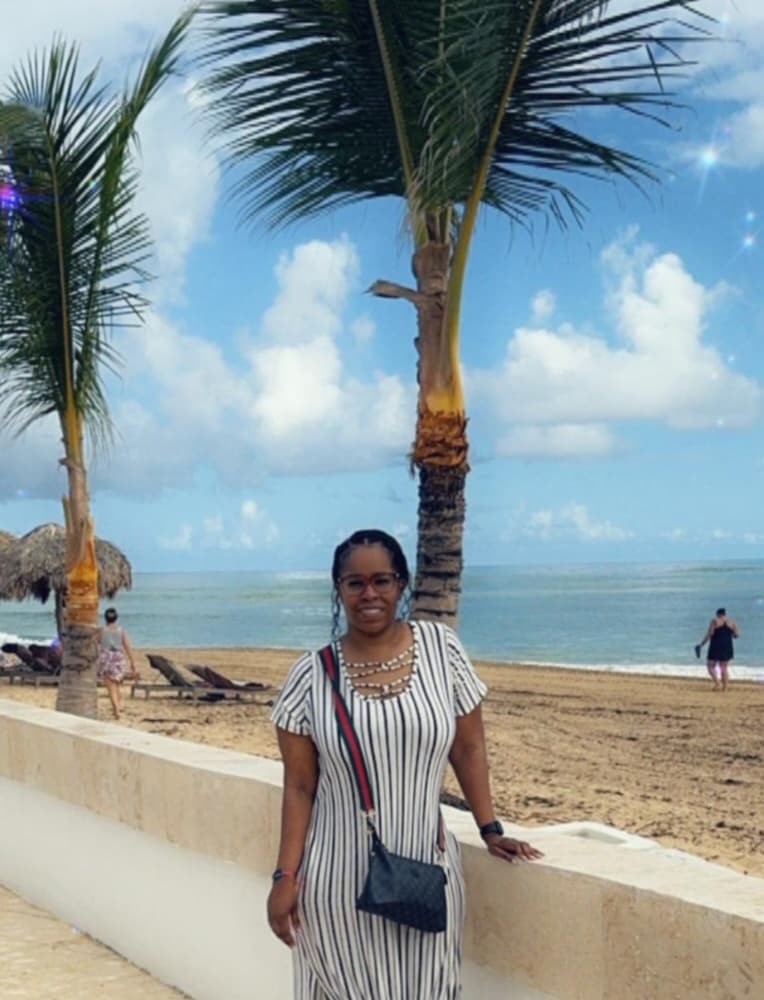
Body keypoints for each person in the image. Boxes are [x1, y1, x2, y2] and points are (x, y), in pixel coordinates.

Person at [267, 529, 542, 999]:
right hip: (338, 881)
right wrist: (284, 878)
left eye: (382, 580)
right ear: (339, 589)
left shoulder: (441, 649)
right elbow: (299, 788)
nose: (369, 594)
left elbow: (468, 748)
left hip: (427, 871)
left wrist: (490, 828)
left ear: (401, 585)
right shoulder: (309, 677)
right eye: (355, 583)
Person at [97, 607, 138, 719]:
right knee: (116, 684)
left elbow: (95, 644)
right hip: (118, 657)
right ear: (116, 618)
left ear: (105, 618)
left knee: (110, 685)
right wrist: (132, 661)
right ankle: (117, 706)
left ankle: (115, 707)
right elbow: (127, 646)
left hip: (106, 657)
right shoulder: (121, 630)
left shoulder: (101, 630)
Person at [695, 608, 739, 693]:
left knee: (710, 665)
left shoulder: (715, 621)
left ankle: (717, 682)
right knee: (724, 668)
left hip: (716, 646)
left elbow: (710, 634)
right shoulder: (732, 621)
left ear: (718, 614)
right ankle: (725, 688)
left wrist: (701, 645)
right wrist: (729, 634)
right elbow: (736, 635)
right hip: (727, 646)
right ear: (725, 614)